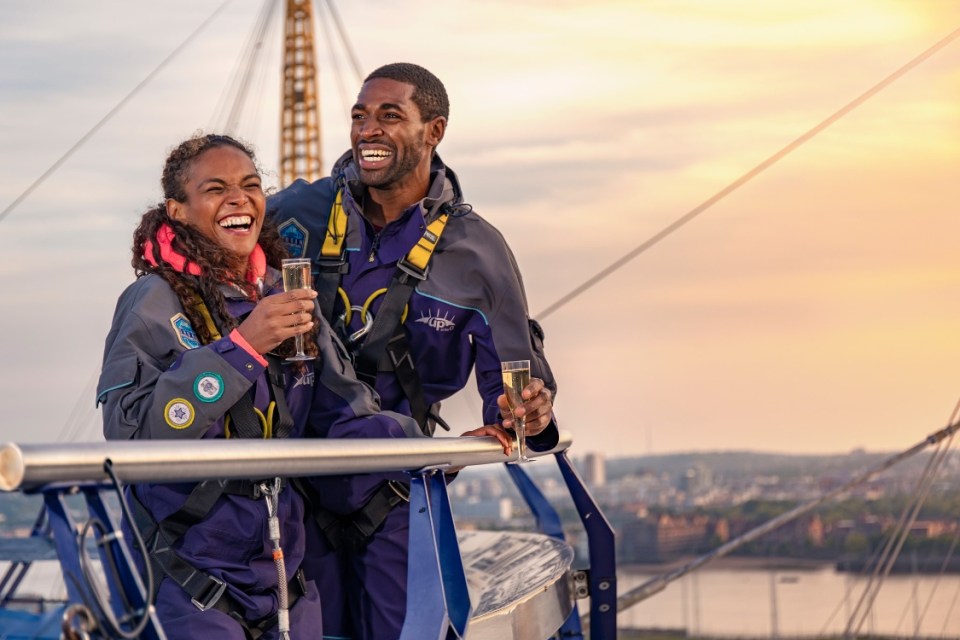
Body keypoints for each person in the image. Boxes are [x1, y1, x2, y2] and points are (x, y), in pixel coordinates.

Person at [97, 133, 510, 639]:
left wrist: (436, 453)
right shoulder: (152, 302)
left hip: (284, 583)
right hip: (189, 582)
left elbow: (345, 416)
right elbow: (130, 430)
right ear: (177, 211)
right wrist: (242, 349)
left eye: (250, 184)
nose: (238, 197)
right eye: (215, 188)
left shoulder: (285, 297)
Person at [267, 63, 559, 639]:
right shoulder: (297, 213)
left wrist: (527, 414)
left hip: (398, 495)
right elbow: (207, 230)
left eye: (390, 115)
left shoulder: (474, 252)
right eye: (359, 116)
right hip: (293, 488)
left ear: (435, 131)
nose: (367, 130)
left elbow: (515, 387)